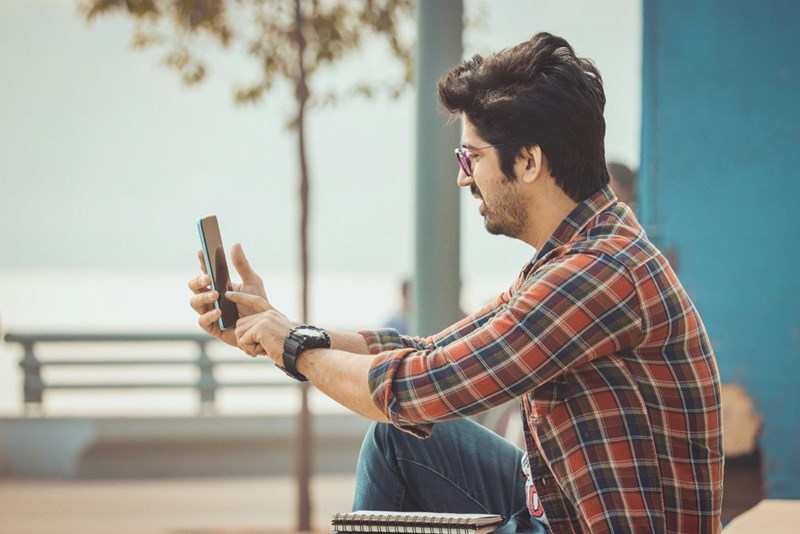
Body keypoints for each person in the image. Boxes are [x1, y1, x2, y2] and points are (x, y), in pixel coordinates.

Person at [188, 32, 723, 533]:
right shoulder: (578, 251)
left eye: (471, 157)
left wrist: (293, 350)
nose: (462, 176)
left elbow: (419, 389)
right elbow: (427, 351)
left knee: (401, 418)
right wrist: (284, 329)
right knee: (399, 444)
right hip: (557, 510)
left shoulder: (597, 274)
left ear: (530, 161)